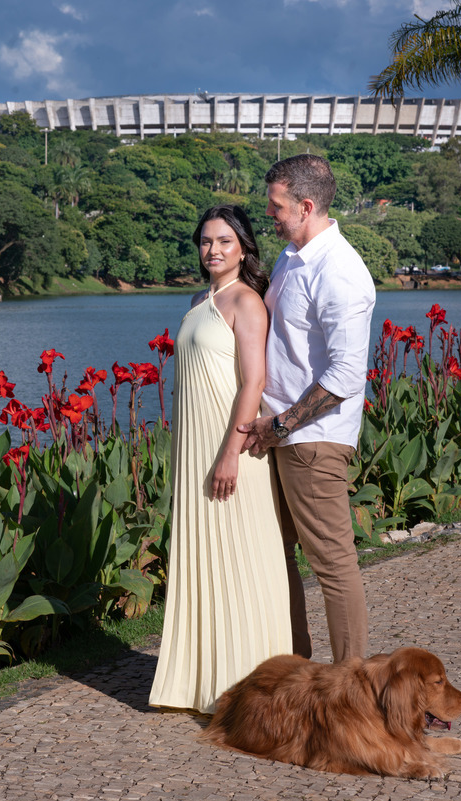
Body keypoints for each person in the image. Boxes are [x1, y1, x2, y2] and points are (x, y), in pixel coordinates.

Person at [149, 205, 292, 714]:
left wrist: (231, 453)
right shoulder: (196, 301)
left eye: (225, 241)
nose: (214, 250)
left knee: (244, 558)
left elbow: (253, 381)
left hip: (230, 450)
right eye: (206, 242)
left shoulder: (246, 302)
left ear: (245, 247)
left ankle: (251, 682)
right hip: (195, 448)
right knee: (201, 556)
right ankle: (200, 680)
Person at [238, 154, 376, 664]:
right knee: (279, 560)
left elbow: (344, 376)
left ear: (306, 205)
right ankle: (296, 667)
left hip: (310, 440)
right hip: (280, 436)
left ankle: (350, 685)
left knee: (333, 566)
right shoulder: (292, 258)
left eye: (276, 206)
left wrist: (282, 423)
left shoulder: (338, 272)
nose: (269, 214)